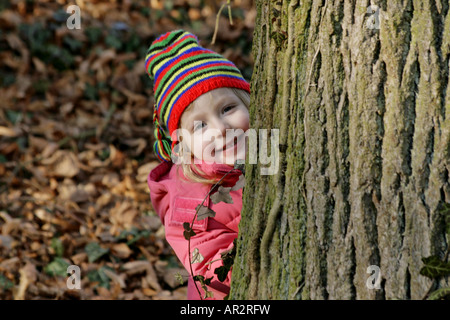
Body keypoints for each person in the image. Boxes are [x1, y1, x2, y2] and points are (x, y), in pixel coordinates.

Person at [145, 29, 251, 300]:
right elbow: (211, 269)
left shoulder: (265, 153)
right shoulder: (190, 202)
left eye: (228, 109)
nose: (220, 129)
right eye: (200, 125)